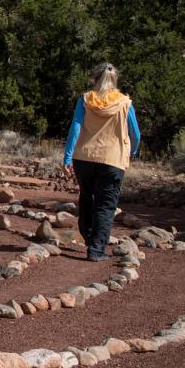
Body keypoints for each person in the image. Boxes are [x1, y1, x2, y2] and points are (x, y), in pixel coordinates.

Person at [63, 63, 141, 261]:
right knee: (105, 205)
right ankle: (96, 250)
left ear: (95, 79)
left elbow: (75, 128)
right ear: (115, 80)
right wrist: (132, 150)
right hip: (113, 160)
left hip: (84, 157)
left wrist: (68, 156)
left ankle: (89, 236)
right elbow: (136, 134)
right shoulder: (125, 103)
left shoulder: (86, 99)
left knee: (87, 197)